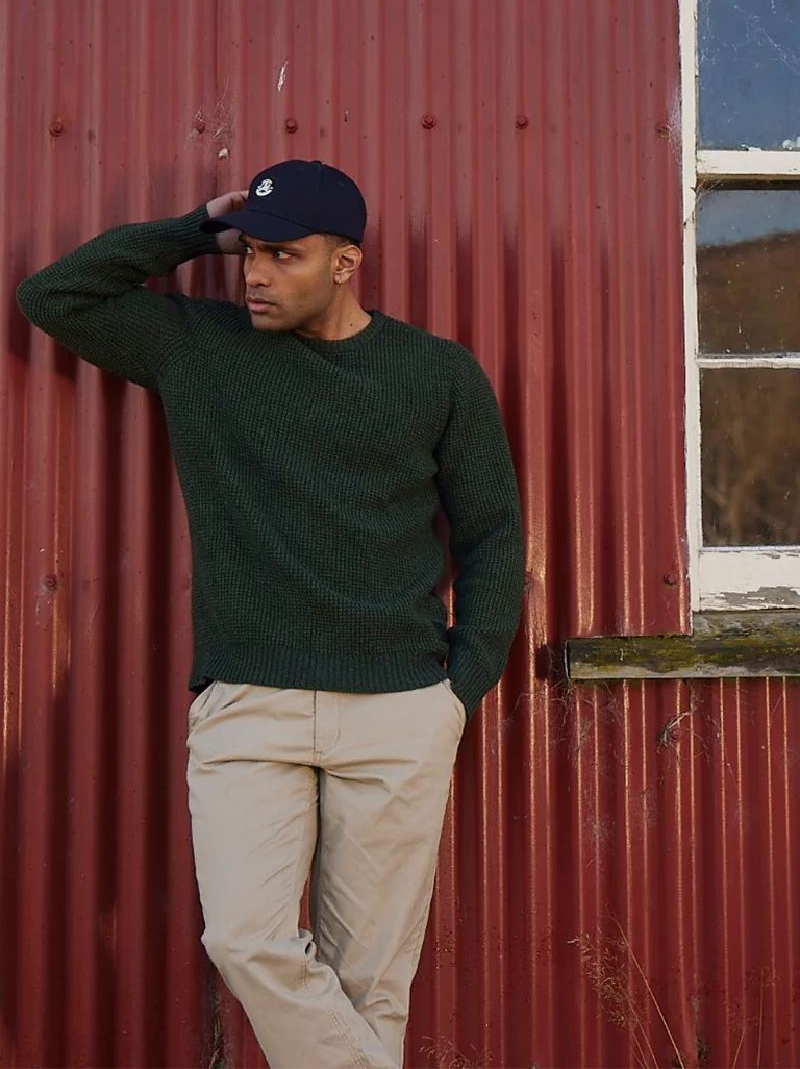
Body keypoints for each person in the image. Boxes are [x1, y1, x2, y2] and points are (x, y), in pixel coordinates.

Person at [15, 158, 525, 1069]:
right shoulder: (195, 347)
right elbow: (55, 297)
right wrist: (194, 229)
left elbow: (491, 533)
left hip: (400, 709)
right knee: (245, 940)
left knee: (370, 984)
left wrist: (461, 688)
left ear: (345, 263)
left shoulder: (437, 373)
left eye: (282, 255)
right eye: (249, 252)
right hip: (251, 703)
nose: (255, 274)